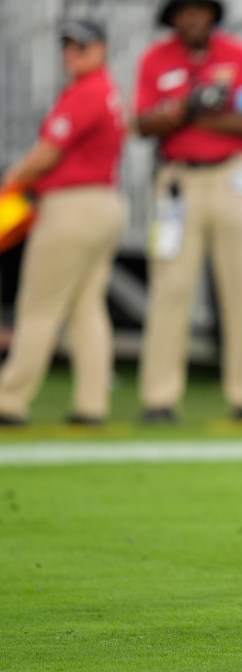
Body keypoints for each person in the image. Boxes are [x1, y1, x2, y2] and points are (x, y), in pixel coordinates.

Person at [135, 0, 242, 423]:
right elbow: (142, 124)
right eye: (182, 10)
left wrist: (185, 114)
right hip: (178, 181)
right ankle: (159, 399)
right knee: (169, 289)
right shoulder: (155, 58)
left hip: (236, 178)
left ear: (212, 14)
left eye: (199, 9)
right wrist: (196, 110)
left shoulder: (240, 54)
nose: (192, 17)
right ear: (172, 18)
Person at [0, 19, 126, 426]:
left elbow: (47, 153)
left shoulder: (86, 92)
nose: (71, 53)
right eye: (67, 46)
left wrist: (11, 179)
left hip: (73, 205)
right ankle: (92, 404)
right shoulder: (105, 90)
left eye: (80, 46)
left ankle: (9, 400)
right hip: (102, 203)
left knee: (38, 306)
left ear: (101, 48)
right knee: (85, 307)